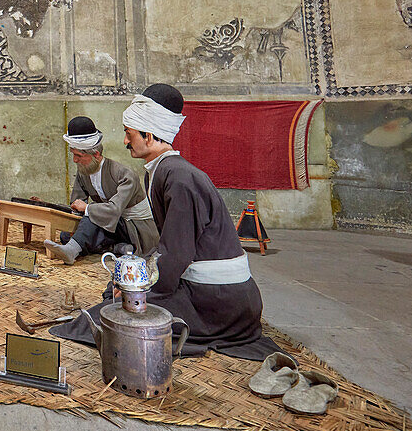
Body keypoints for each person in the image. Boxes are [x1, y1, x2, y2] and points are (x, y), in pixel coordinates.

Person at [52, 84, 281, 360]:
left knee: (112, 311)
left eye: (129, 134)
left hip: (220, 302)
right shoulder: (161, 172)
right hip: (209, 294)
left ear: (148, 136)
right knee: (115, 296)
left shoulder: (179, 178)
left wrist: (140, 289)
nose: (125, 141)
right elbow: (168, 246)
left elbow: (176, 253)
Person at [42, 116, 159, 264]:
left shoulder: (124, 174)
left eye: (78, 155)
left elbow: (113, 210)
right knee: (67, 234)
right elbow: (77, 203)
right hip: (110, 224)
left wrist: (87, 208)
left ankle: (72, 251)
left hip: (133, 227)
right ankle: (118, 248)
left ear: (95, 155)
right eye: (73, 155)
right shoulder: (83, 171)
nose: (75, 160)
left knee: (90, 219)